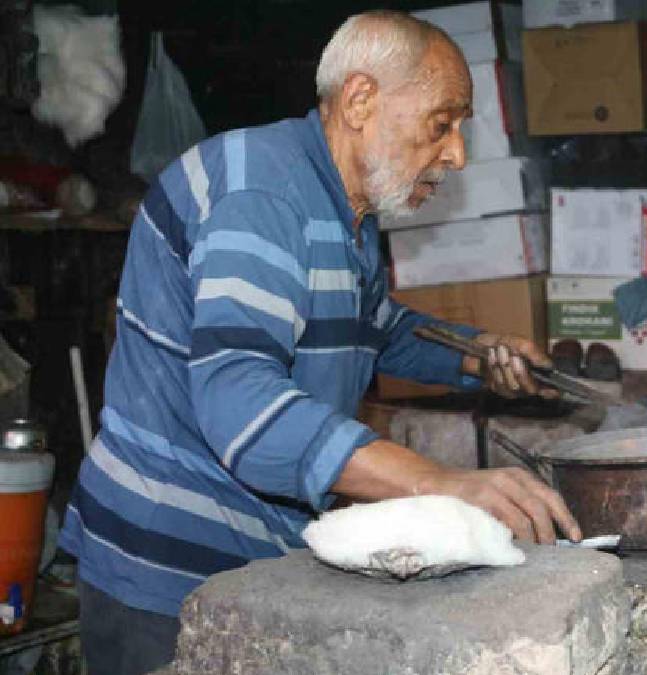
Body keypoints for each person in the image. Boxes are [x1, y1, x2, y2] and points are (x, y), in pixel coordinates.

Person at [59, 11, 580, 675]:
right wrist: (438, 484)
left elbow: (373, 325)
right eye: (441, 122)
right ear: (360, 100)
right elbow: (241, 405)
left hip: (251, 557)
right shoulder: (261, 193)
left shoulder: (342, 207)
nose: (457, 153)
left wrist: (481, 357)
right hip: (167, 569)